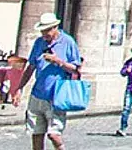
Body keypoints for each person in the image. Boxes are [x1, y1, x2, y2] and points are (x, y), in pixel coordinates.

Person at [13, 12, 82, 150]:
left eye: (47, 30)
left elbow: (76, 69)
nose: (45, 34)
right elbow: (31, 67)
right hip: (38, 94)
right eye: (43, 30)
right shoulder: (39, 43)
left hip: (56, 95)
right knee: (36, 133)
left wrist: (59, 62)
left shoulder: (68, 42)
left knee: (53, 134)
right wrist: (19, 88)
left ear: (55, 27)